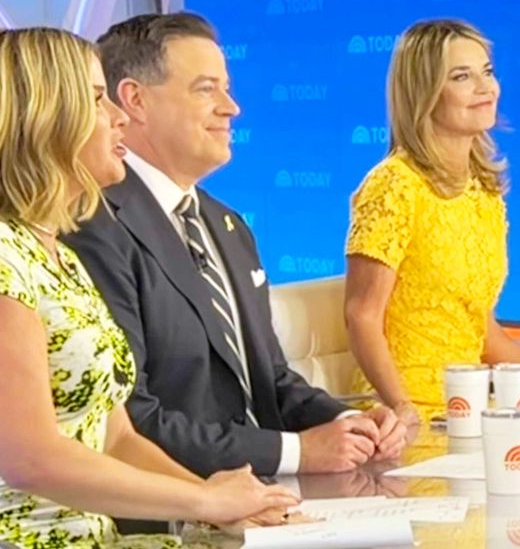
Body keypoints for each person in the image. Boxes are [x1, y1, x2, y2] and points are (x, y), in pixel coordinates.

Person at [65, 13, 406, 479]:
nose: (231, 107)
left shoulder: (226, 223)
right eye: (206, 89)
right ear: (135, 100)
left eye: (226, 88)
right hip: (179, 506)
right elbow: (132, 418)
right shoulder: (92, 226)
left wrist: (348, 422)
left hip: (269, 496)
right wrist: (296, 453)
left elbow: (272, 378)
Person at [0, 27, 297, 549]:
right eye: (95, 100)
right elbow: (30, 458)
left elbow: (115, 438)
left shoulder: (60, 255)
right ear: (42, 120)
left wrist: (222, 504)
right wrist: (204, 502)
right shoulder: (5, 257)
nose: (116, 114)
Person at [344, 19, 520, 425]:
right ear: (424, 92)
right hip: (407, 412)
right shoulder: (393, 186)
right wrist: (402, 409)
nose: (486, 88)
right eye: (462, 76)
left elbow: (482, 330)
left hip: (471, 406)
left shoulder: (484, 191)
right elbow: (362, 316)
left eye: (488, 72)